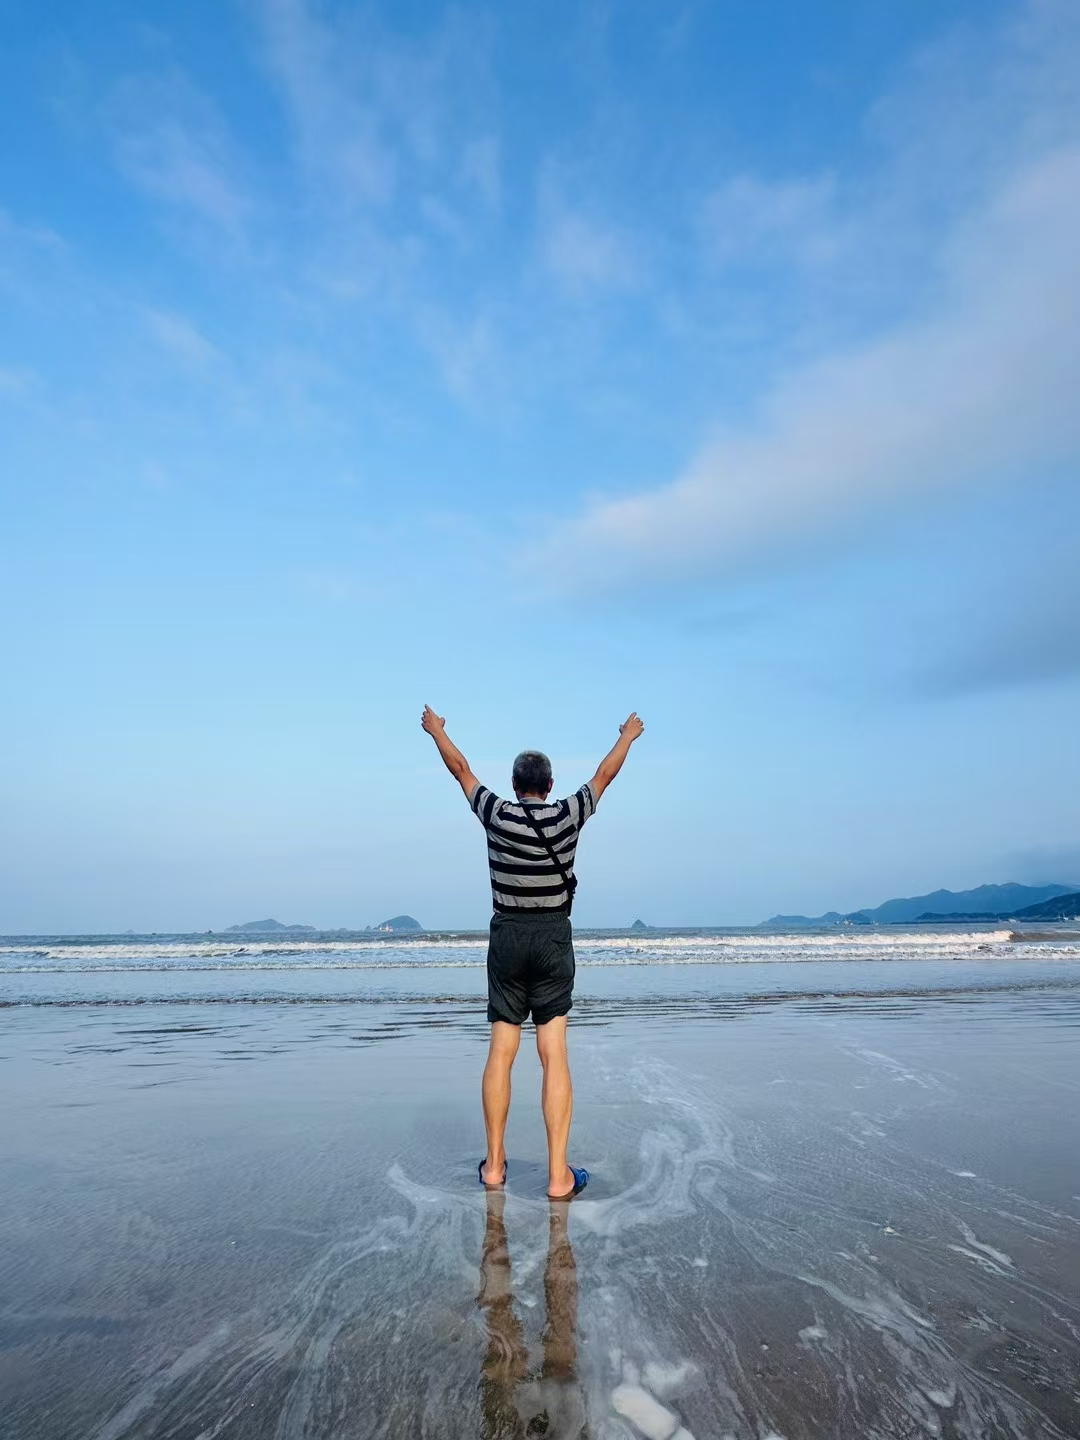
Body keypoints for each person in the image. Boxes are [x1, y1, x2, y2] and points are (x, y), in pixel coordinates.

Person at [420, 706, 645, 1199]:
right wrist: (628, 736)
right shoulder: (568, 814)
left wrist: (438, 731)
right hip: (551, 939)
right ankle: (559, 1177)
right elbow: (604, 776)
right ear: (549, 784)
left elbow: (461, 770)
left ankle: (495, 1168)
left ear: (516, 783)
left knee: (502, 1052)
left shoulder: (496, 813)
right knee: (553, 1055)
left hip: (507, 938)